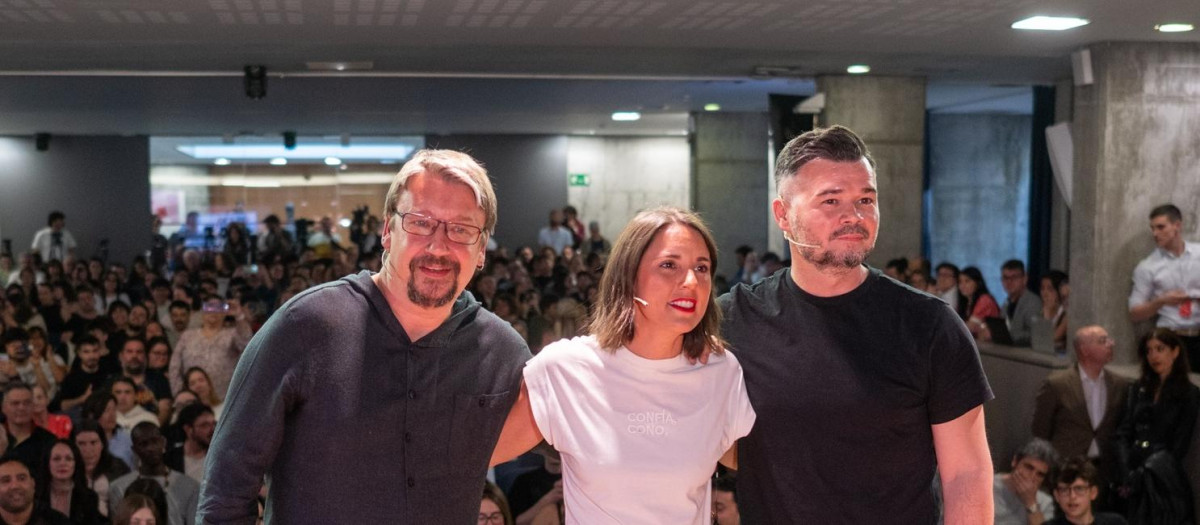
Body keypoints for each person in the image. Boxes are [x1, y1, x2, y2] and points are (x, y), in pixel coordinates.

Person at [200, 149, 531, 523]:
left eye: (461, 229)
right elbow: (225, 493)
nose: (439, 247)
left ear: (482, 248)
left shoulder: (502, 354)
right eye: (421, 223)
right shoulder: (305, 326)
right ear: (388, 231)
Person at [718, 125, 994, 522]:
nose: (854, 216)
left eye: (865, 199)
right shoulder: (734, 320)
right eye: (831, 201)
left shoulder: (929, 326)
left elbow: (967, 475)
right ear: (783, 214)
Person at [492, 207, 755, 523]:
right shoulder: (565, 369)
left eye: (702, 267)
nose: (690, 281)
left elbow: (768, 470)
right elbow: (464, 464)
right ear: (628, 277)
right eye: (669, 265)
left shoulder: (721, 372)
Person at [1032, 325, 1130, 498]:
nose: (1111, 344)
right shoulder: (1057, 384)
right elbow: (1041, 430)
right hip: (1065, 468)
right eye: (1103, 341)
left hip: (1103, 472)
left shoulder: (1119, 385)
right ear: (1084, 350)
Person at [1115, 328, 1199, 524]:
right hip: (1131, 471)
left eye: (1160, 349)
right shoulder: (1137, 388)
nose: (1154, 356)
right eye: (1149, 350)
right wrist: (1127, 470)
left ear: (1175, 352)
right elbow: (1122, 432)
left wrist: (1147, 470)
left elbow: (1179, 445)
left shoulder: (1188, 393)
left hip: (1162, 477)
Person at [1128, 204, 1200, 372]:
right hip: (1169, 335)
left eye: (1161, 227)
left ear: (1177, 226)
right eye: (1152, 228)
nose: (1155, 233)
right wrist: (1161, 301)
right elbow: (1135, 313)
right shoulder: (1147, 266)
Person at [108, 423, 199, 525]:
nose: (150, 448)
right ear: (134, 449)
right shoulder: (118, 488)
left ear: (163, 442)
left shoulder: (190, 487)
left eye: (155, 442)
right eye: (143, 444)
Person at [165, 296, 252, 400]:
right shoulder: (187, 336)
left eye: (218, 307)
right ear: (203, 310)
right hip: (191, 399)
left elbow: (246, 343)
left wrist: (239, 315)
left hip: (223, 399)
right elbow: (174, 366)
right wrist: (179, 393)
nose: (213, 311)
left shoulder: (232, 334)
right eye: (210, 306)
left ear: (225, 312)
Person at [991, 438, 1060, 525]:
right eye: (1029, 467)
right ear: (1015, 461)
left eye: (1040, 474)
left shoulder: (1045, 502)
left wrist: (1031, 503)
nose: (1032, 476)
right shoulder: (989, 485)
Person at [72, 420, 130, 519]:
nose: (88, 449)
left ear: (103, 444)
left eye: (93, 443)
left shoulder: (118, 468)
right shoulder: (64, 468)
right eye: (81, 443)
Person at [36, 440, 102, 525]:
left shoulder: (89, 497)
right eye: (56, 459)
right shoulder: (36, 496)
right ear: (47, 463)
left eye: (68, 459)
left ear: (76, 464)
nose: (63, 463)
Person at [1047, 458, 1128, 525]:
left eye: (1079, 489)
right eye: (1064, 490)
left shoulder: (1116, 522)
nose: (1072, 496)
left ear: (1093, 492)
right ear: (1056, 495)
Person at [3, 383, 59, 474]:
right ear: (3, 408)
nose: (21, 408)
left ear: (33, 406)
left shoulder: (49, 441)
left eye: (26, 403)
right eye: (15, 403)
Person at [0, 454, 70, 525]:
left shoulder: (57, 521)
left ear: (33, 484)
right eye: (6, 480)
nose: (15, 486)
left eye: (22, 478)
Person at [162, 404, 212, 484]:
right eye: (204, 425)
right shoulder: (169, 459)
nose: (212, 429)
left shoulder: (220, 455)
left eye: (214, 424)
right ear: (188, 429)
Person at [1000, 259, 1043, 346]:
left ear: (1024, 279)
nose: (1009, 282)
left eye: (1014, 277)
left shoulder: (1032, 302)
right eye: (1005, 278)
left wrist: (1008, 336)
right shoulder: (1006, 303)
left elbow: (1034, 334)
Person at [960, 266, 1001, 339]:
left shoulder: (985, 300)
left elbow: (968, 328)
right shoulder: (967, 302)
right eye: (960, 282)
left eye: (967, 281)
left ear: (977, 283)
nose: (962, 285)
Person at [1041, 270, 1070, 352]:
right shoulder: (1041, 310)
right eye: (1042, 288)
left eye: (1050, 289)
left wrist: (1047, 314)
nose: (1045, 293)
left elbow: (1049, 339)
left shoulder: (1066, 315)